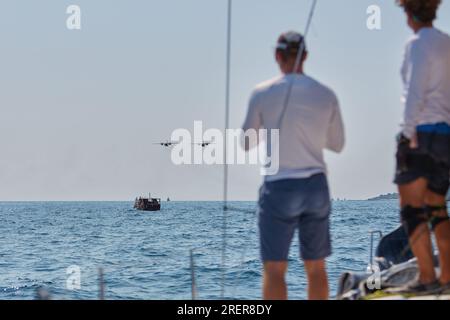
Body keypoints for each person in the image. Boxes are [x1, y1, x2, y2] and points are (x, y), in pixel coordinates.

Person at [242, 31, 345, 300]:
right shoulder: (326, 94)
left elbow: (245, 142)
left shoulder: (262, 93)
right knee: (316, 267)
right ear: (306, 56)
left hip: (279, 186)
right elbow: (337, 144)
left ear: (277, 56)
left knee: (275, 269)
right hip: (315, 185)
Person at [394, 0, 450, 293]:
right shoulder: (447, 43)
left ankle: (427, 278)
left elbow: (414, 92)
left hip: (421, 135)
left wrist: (406, 135)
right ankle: (447, 277)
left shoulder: (417, 44)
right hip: (446, 136)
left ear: (409, 12)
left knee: (411, 209)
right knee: (437, 207)